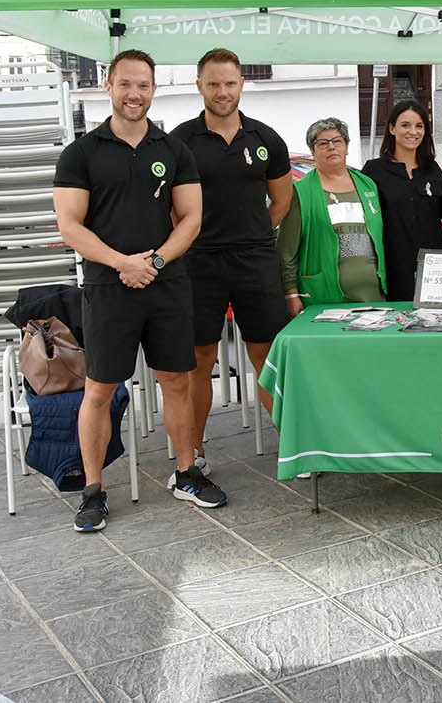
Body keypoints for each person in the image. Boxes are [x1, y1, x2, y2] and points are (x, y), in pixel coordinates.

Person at [53, 49, 222, 533]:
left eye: (143, 85)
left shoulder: (174, 150)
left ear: (153, 89)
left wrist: (156, 261)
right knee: (100, 389)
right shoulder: (81, 153)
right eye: (125, 84)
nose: (134, 94)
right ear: (109, 87)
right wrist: (122, 263)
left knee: (177, 381)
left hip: (166, 285)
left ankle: (187, 474)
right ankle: (93, 492)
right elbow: (70, 225)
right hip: (108, 287)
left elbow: (191, 218)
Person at [169, 48, 294, 477]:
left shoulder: (266, 139)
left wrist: (252, 234)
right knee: (199, 360)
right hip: (199, 262)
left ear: (241, 84)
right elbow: (172, 210)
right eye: (213, 84)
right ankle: (194, 453)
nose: (222, 92)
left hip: (255, 261)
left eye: (229, 83)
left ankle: (294, 444)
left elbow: (281, 202)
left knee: (267, 356)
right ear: (199, 86)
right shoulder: (180, 142)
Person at [279, 117, 387, 311]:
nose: (331, 147)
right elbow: (287, 250)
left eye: (337, 141)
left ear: (346, 147)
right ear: (312, 151)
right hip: (323, 297)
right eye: (322, 143)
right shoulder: (300, 192)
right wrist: (291, 294)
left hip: (372, 295)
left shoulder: (368, 185)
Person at [361, 100, 442, 301]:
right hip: (393, 268)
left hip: (435, 268)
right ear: (392, 129)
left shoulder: (432, 168)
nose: (413, 132)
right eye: (405, 125)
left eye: (419, 126)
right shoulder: (373, 170)